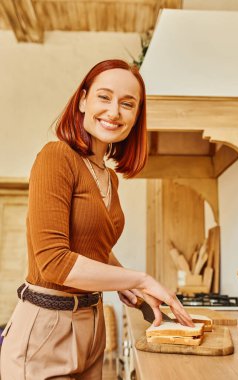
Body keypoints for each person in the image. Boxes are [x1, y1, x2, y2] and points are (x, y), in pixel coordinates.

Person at [0, 59, 194, 380]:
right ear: (82, 101)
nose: (114, 111)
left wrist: (121, 281)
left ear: (135, 117)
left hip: (92, 323)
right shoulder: (56, 157)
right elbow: (54, 262)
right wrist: (138, 279)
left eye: (127, 104)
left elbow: (94, 246)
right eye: (104, 97)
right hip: (47, 326)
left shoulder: (109, 177)